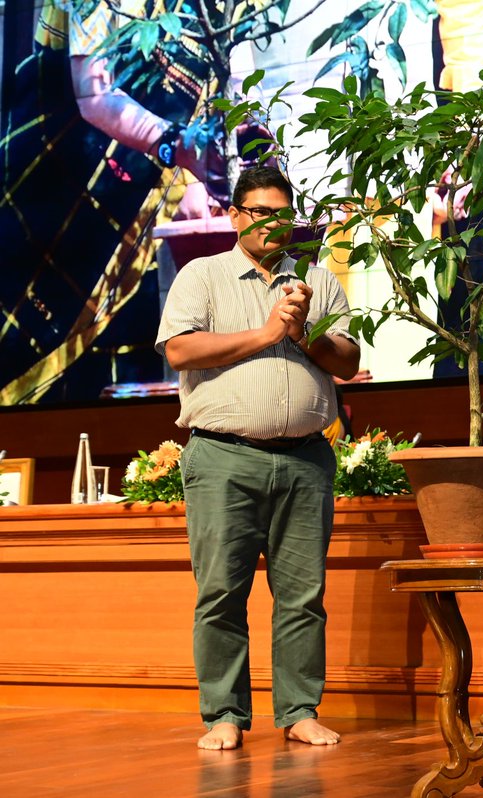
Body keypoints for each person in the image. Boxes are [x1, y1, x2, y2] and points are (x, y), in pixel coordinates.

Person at [156, 165, 361, 750]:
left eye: (282, 213)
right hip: (224, 457)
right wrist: (270, 332)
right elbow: (180, 349)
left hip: (304, 460)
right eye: (260, 213)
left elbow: (345, 361)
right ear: (235, 216)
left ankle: (299, 711)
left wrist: (303, 334)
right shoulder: (203, 275)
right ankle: (224, 715)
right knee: (221, 591)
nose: (273, 224)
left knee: (303, 595)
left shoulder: (317, 282)